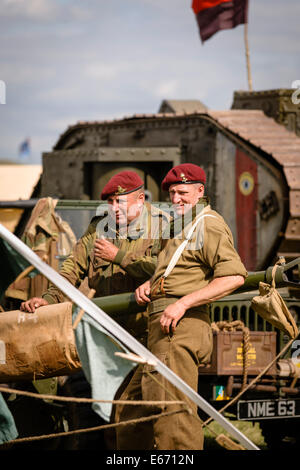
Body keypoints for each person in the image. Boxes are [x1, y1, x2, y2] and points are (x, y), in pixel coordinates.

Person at [115, 163, 248, 450]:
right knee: (131, 411)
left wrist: (182, 304)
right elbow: (180, 271)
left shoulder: (208, 223)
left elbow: (234, 276)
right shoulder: (183, 227)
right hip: (163, 330)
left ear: (200, 191)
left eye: (183, 192)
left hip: (179, 328)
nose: (176, 199)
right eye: (173, 193)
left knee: (172, 417)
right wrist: (152, 284)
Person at [20, 170, 167, 344]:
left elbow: (165, 270)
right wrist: (48, 299)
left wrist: (119, 256)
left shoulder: (163, 226)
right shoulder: (99, 227)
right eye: (110, 202)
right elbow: (72, 268)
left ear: (140, 199)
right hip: (106, 331)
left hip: (148, 333)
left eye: (120, 201)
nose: (114, 208)